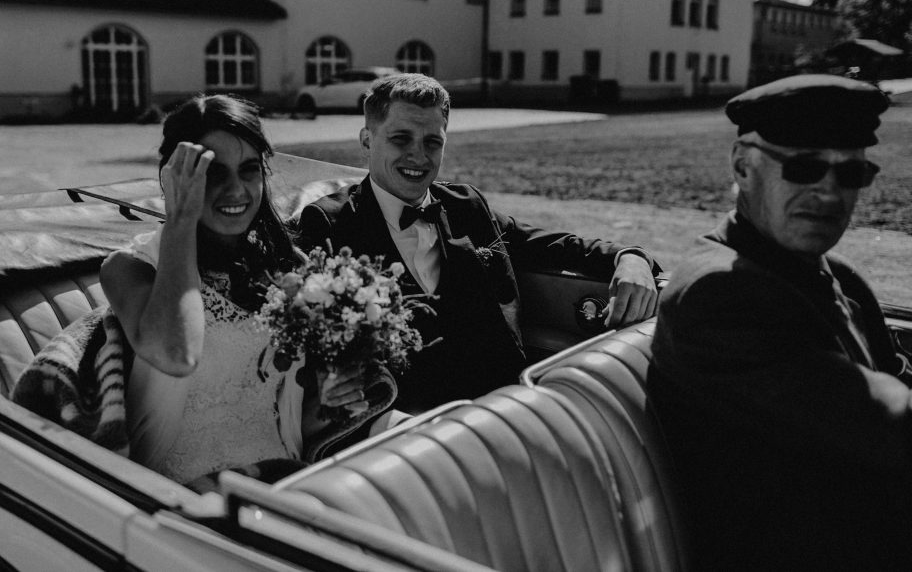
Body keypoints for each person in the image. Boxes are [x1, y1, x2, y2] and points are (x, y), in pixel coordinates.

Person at [647, 74, 912, 571]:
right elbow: (889, 425)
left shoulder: (838, 276)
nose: (829, 193)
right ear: (743, 166)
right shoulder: (717, 294)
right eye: (805, 167)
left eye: (851, 174)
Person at [296, 73, 661, 413]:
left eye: (432, 142)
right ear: (366, 141)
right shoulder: (328, 223)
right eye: (400, 138)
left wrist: (630, 257)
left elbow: (554, 245)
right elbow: (301, 335)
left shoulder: (466, 206)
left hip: (500, 404)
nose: (418, 155)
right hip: (401, 424)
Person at [101, 94, 371, 491]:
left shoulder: (285, 267)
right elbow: (177, 353)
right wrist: (181, 219)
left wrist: (331, 400)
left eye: (249, 170)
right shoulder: (129, 268)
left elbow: (286, 410)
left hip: (281, 480)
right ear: (176, 177)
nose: (237, 190)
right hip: (179, 501)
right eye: (213, 173)